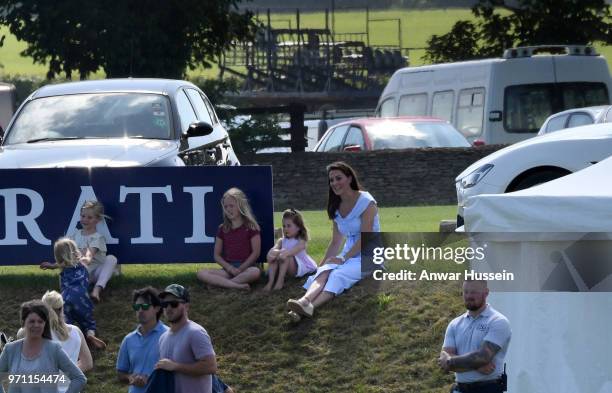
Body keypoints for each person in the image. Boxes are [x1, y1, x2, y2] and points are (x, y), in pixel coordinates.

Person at [286, 162, 381, 322]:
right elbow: (336, 242)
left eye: (339, 178)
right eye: (331, 180)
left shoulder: (367, 201)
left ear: (349, 178)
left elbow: (367, 237)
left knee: (338, 274)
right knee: (325, 271)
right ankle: (304, 301)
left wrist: (343, 258)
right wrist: (321, 265)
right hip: (349, 251)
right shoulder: (335, 207)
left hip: (370, 252)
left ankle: (310, 307)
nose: (335, 183)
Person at [438, 280, 511, 393]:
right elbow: (444, 357)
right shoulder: (455, 324)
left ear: (486, 293)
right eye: (465, 292)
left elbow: (482, 357)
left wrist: (450, 362)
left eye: (474, 292)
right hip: (460, 389)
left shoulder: (498, 321)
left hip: (488, 389)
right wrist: (477, 365)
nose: (468, 296)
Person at [0, 300, 87, 393]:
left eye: (40, 321)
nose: (36, 325)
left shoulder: (54, 349)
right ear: (24, 322)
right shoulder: (10, 349)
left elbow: (79, 378)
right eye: (32, 321)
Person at [41, 200, 118, 302]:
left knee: (111, 259)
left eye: (89, 217)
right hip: (81, 273)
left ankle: (96, 291)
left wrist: (85, 258)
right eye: (83, 216)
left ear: (98, 219)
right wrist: (53, 266)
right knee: (70, 272)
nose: (85, 220)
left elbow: (89, 255)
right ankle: (74, 294)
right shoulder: (74, 236)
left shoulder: (97, 238)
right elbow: (67, 258)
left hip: (96, 272)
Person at [155, 284, 218, 393]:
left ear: (186, 306)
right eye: (164, 304)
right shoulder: (163, 338)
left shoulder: (195, 332)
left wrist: (176, 366)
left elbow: (210, 366)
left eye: (174, 303)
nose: (168, 308)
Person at [196, 188, 261, 290]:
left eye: (231, 206)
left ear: (240, 206)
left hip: (245, 269)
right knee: (201, 273)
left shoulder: (251, 227)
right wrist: (230, 268)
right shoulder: (223, 228)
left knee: (255, 272)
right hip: (227, 270)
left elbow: (256, 253)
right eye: (225, 207)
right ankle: (237, 286)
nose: (228, 209)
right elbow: (216, 255)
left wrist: (240, 269)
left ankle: (220, 285)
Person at [50, 237, 107, 350]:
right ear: (75, 251)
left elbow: (61, 283)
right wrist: (87, 252)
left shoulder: (63, 269)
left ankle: (67, 342)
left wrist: (51, 266)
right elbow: (87, 258)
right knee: (88, 321)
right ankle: (90, 335)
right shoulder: (83, 263)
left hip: (65, 298)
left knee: (66, 323)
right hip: (81, 296)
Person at [117, 287, 168, 393]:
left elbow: (177, 372)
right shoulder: (128, 340)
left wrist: (150, 379)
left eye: (145, 306)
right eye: (137, 306)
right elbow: (121, 373)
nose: (140, 310)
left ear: (157, 308)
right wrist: (130, 378)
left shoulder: (169, 336)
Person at [264, 208, 316, 291]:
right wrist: (272, 253)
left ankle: (280, 281)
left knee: (286, 255)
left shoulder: (301, 240)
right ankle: (271, 282)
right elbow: (273, 250)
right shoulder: (281, 240)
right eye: (284, 226)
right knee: (275, 256)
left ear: (298, 227)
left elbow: (292, 252)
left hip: (298, 267)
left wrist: (281, 253)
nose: (285, 229)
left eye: (289, 226)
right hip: (284, 263)